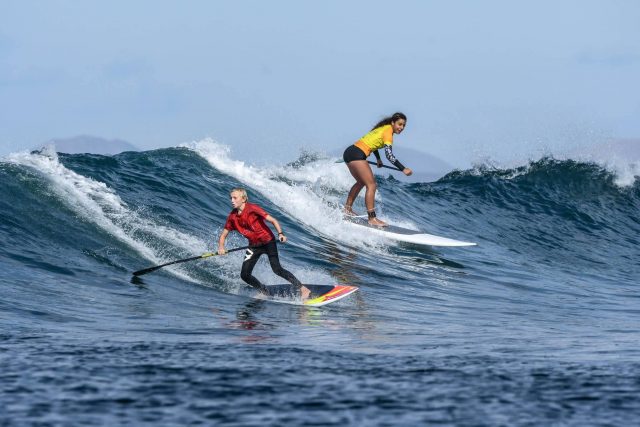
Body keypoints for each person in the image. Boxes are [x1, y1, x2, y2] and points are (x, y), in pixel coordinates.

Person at [217, 188, 310, 300]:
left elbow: (273, 220)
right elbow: (223, 235)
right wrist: (221, 247)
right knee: (244, 275)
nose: (232, 200)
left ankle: (303, 289)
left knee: (277, 269)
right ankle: (263, 290)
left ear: (243, 199)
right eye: (231, 198)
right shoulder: (232, 217)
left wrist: (280, 234)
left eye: (235, 198)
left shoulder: (253, 208)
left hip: (268, 242)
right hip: (254, 246)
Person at [342, 112, 413, 226]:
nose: (401, 128)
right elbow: (389, 156)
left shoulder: (382, 128)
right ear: (393, 123)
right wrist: (403, 169)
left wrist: (378, 159)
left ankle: (347, 209)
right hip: (357, 154)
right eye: (399, 124)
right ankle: (372, 218)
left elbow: (372, 144)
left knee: (361, 182)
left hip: (350, 152)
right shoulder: (388, 133)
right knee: (372, 185)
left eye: (404, 126)